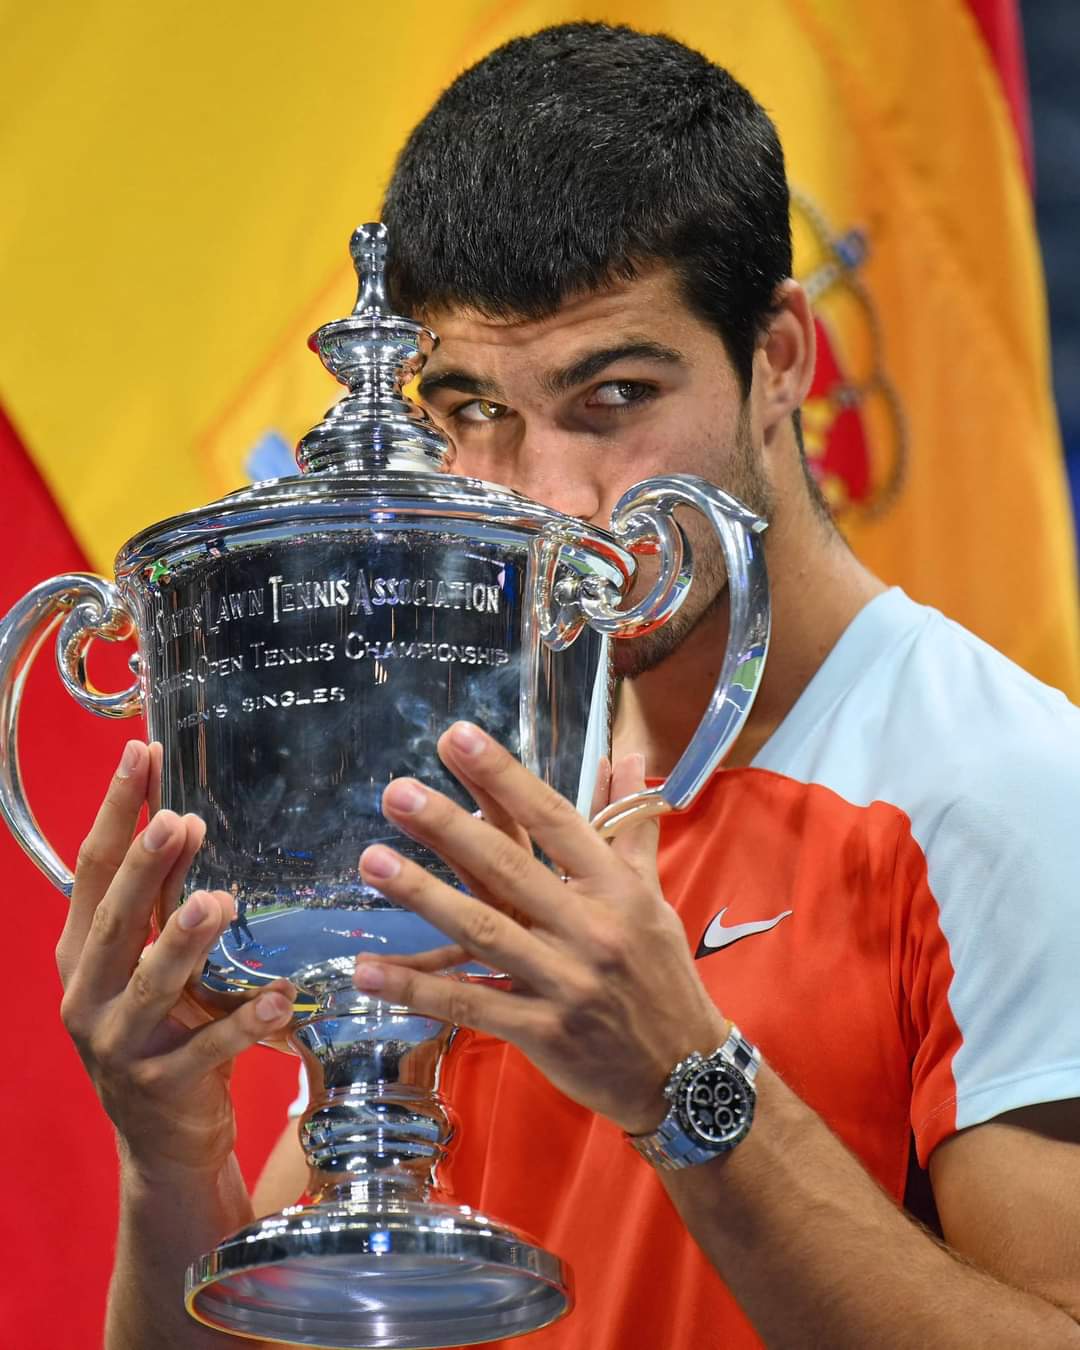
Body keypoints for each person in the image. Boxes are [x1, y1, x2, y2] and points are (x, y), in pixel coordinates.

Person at [54, 22, 1080, 1350]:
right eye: (471, 407)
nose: (541, 492)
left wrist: (686, 1088)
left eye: (612, 395)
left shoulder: (1006, 784)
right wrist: (173, 1157)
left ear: (781, 358)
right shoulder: (471, 784)